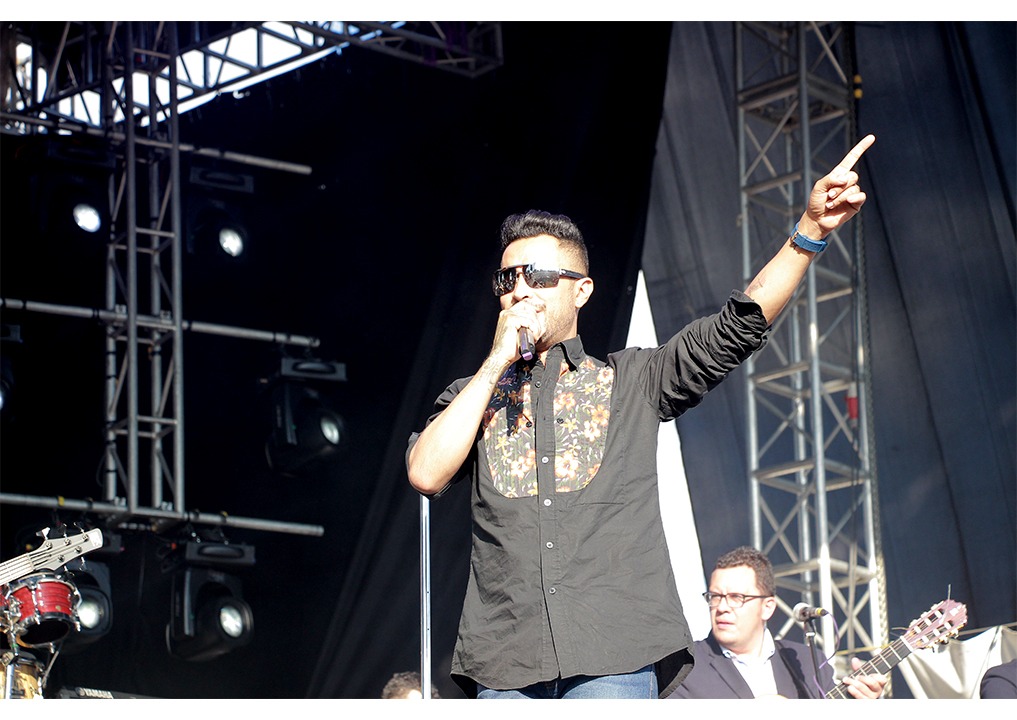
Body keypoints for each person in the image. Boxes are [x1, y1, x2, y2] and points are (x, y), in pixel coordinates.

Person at [406, 137, 876, 699]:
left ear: (581, 291)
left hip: (614, 657)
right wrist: (494, 365)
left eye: (534, 276)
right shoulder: (473, 396)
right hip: (505, 664)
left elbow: (737, 326)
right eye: (506, 281)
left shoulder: (633, 380)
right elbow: (426, 473)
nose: (517, 293)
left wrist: (810, 232)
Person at [667, 545, 887, 699]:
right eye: (715, 597)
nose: (722, 607)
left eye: (736, 597)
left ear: (768, 607)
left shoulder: (806, 662)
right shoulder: (684, 667)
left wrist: (863, 708)